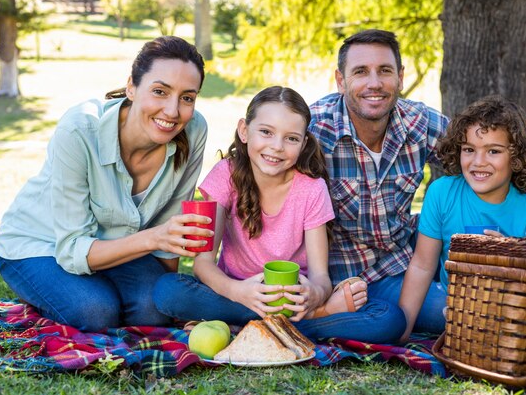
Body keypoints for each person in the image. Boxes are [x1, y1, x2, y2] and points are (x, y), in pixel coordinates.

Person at [307, 29, 526, 340]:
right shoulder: (314, 128)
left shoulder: (420, 123)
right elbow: (264, 167)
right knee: (461, 312)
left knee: (488, 306)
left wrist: (524, 153)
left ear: (401, 77)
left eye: (385, 71)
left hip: (408, 258)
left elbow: (479, 148)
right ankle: (332, 321)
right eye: (361, 72)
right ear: (341, 80)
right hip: (348, 274)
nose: (375, 83)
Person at [0, 36, 214, 331]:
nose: (173, 111)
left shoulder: (194, 129)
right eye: (160, 91)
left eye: (187, 97)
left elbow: (170, 228)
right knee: (95, 311)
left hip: (117, 247)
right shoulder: (80, 130)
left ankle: (102, 292)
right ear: (132, 87)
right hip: (40, 244)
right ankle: (52, 290)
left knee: (153, 312)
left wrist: (164, 298)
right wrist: (153, 238)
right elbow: (72, 248)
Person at [153, 86, 405, 343]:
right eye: (266, 132)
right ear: (244, 130)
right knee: (168, 291)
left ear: (303, 143)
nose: (276, 147)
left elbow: (320, 278)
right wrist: (239, 291)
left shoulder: (311, 188)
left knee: (389, 318)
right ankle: (309, 322)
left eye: (291, 138)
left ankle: (252, 327)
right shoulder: (225, 175)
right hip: (235, 295)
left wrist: (315, 295)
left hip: (292, 303)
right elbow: (203, 263)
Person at [398, 95, 526, 341]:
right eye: (469, 149)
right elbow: (422, 266)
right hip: (450, 306)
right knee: (390, 319)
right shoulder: (442, 193)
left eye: (493, 151)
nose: (478, 162)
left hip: (508, 314)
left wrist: (510, 260)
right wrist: (402, 331)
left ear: (517, 157)